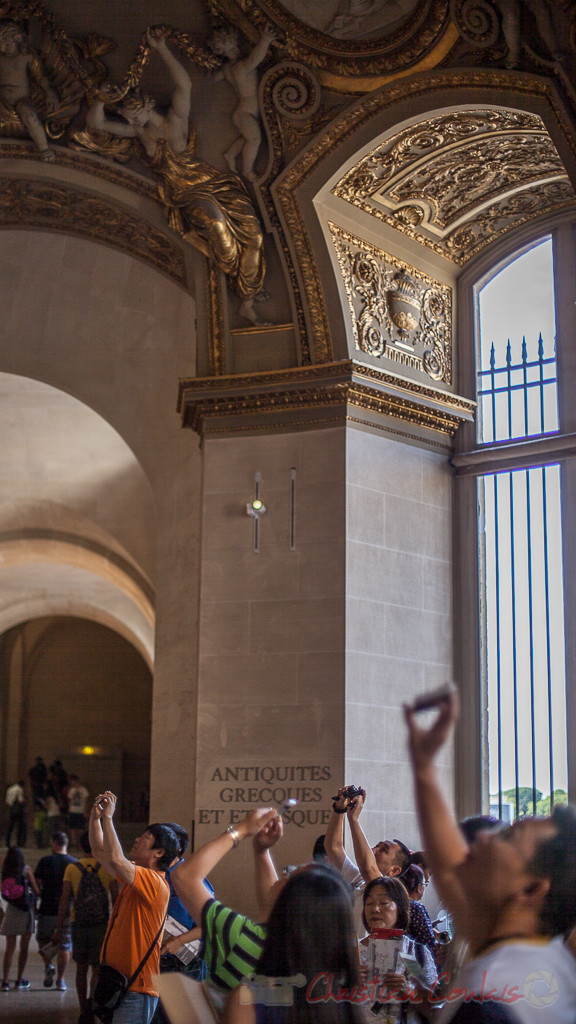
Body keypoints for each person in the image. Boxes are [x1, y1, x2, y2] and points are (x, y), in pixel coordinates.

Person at [404, 688, 576, 1022]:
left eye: (510, 837)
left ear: (532, 890)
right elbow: (453, 868)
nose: (485, 837)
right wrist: (424, 767)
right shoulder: (532, 950)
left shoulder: (491, 999)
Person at [85, 27, 266, 325]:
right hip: (185, 194)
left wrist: (163, 50)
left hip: (213, 184)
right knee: (218, 228)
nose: (130, 119)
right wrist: (101, 99)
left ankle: (246, 299)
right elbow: (98, 123)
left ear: (146, 104)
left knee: (256, 237)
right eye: (127, 115)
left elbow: (184, 85)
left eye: (132, 112)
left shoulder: (175, 121)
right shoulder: (138, 132)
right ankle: (242, 286)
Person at [221, 862, 364, 1024]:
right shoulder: (347, 1002)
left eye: (288, 878)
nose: (279, 881)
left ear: (281, 918)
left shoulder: (248, 1000)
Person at [172, 806, 283, 1001]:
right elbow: (271, 906)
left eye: (290, 876)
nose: (283, 875)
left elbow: (184, 876)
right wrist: (261, 851)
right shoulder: (306, 952)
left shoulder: (243, 939)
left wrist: (241, 830)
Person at [89, 791, 179, 1024]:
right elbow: (100, 852)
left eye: (145, 838)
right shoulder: (134, 878)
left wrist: (109, 819)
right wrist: (95, 818)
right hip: (118, 983)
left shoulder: (155, 882)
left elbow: (117, 860)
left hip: (137, 988)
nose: (137, 840)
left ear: (158, 853)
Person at [325, 785, 411, 935]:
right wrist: (339, 810)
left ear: (394, 870)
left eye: (383, 850)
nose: (374, 850)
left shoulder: (389, 889)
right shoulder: (358, 878)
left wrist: (354, 820)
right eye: (377, 845)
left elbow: (368, 868)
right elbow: (334, 848)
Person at [151, 821, 214, 1024]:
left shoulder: (189, 877)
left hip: (187, 960)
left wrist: (179, 941)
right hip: (161, 958)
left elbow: (210, 922)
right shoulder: (156, 875)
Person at [55, 830, 118, 1024]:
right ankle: (94, 1006)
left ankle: (84, 1010)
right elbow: (116, 901)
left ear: (81, 846)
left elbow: (65, 901)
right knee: (97, 970)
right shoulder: (108, 869)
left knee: (80, 969)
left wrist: (59, 928)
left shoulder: (72, 868)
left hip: (79, 925)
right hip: (101, 926)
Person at [358, 875, 437, 1023]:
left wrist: (407, 991)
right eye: (369, 903)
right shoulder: (353, 951)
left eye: (383, 903)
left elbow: (433, 1008)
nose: (375, 909)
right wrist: (347, 983)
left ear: (400, 908)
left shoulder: (411, 954)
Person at [208, 24, 275, 181]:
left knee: (248, 138)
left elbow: (215, 77)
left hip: (243, 112)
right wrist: (265, 40)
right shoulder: (240, 67)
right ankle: (247, 171)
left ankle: (230, 154)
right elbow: (255, 58)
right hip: (245, 113)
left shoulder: (228, 68)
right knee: (254, 139)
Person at [0, 18, 56, 160]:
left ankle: (44, 149)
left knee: (31, 118)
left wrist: (50, 94)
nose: (2, 48)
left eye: (6, 44)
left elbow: (40, 77)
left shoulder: (27, 57)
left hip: (22, 100)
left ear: (17, 40)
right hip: (2, 102)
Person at [35, 829, 77, 992]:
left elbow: (37, 883)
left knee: (43, 939)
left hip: (47, 907)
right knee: (65, 945)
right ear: (66, 844)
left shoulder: (45, 861)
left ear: (53, 843)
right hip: (67, 909)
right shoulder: (73, 863)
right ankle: (61, 980)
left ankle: (48, 965)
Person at [0, 845, 40, 990]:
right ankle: (18, 980)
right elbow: (36, 890)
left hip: (11, 910)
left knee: (9, 949)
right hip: (26, 911)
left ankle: (5, 981)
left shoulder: (6, 871)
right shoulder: (26, 870)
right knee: (24, 948)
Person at [400, 863, 438, 960]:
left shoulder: (394, 904)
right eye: (425, 884)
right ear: (419, 888)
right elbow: (429, 943)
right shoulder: (417, 908)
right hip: (417, 961)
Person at [67, 774, 90, 849]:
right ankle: (74, 844)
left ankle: (80, 844)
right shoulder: (71, 790)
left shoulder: (83, 790)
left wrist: (86, 811)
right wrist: (69, 811)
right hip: (73, 811)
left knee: (80, 829)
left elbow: (86, 801)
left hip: (80, 811)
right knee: (73, 828)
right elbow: (70, 801)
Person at [5, 779, 26, 847]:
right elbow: (20, 800)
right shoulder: (19, 789)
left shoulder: (10, 789)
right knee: (20, 826)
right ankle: (19, 842)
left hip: (11, 809)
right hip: (18, 810)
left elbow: (7, 801)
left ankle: (7, 842)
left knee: (10, 826)